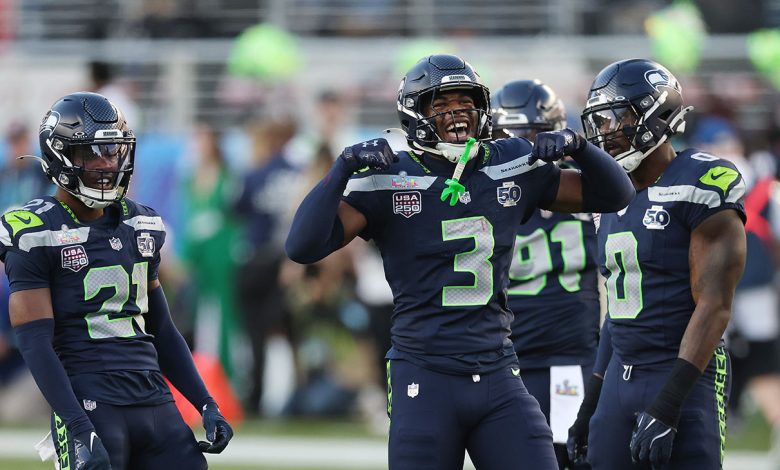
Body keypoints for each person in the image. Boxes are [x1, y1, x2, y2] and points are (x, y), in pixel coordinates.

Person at [285, 54, 635, 470]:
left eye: (465, 102)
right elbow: (302, 245)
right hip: (424, 373)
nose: (456, 114)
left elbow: (617, 195)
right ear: (415, 113)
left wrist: (579, 147)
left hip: (498, 370)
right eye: (441, 104)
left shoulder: (509, 161)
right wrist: (341, 169)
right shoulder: (389, 177)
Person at [0, 92, 233, 469]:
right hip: (91, 400)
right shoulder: (35, 230)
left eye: (113, 152)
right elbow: (35, 343)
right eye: (92, 152)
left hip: (153, 398)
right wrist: (76, 423)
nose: (106, 163)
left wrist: (205, 401)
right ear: (61, 156)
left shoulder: (139, 222)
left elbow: (161, 327)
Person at [567, 59, 747, 470]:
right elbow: (620, 307)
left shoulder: (701, 180)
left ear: (657, 114)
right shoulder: (610, 192)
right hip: (621, 375)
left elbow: (714, 305)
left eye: (618, 118)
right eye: (600, 121)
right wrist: (590, 403)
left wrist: (669, 403)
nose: (606, 131)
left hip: (686, 371)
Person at [491, 79, 600, 470]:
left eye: (534, 135)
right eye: (511, 135)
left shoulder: (585, 186)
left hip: (569, 354)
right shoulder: (490, 189)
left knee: (572, 458)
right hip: (508, 357)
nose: (523, 145)